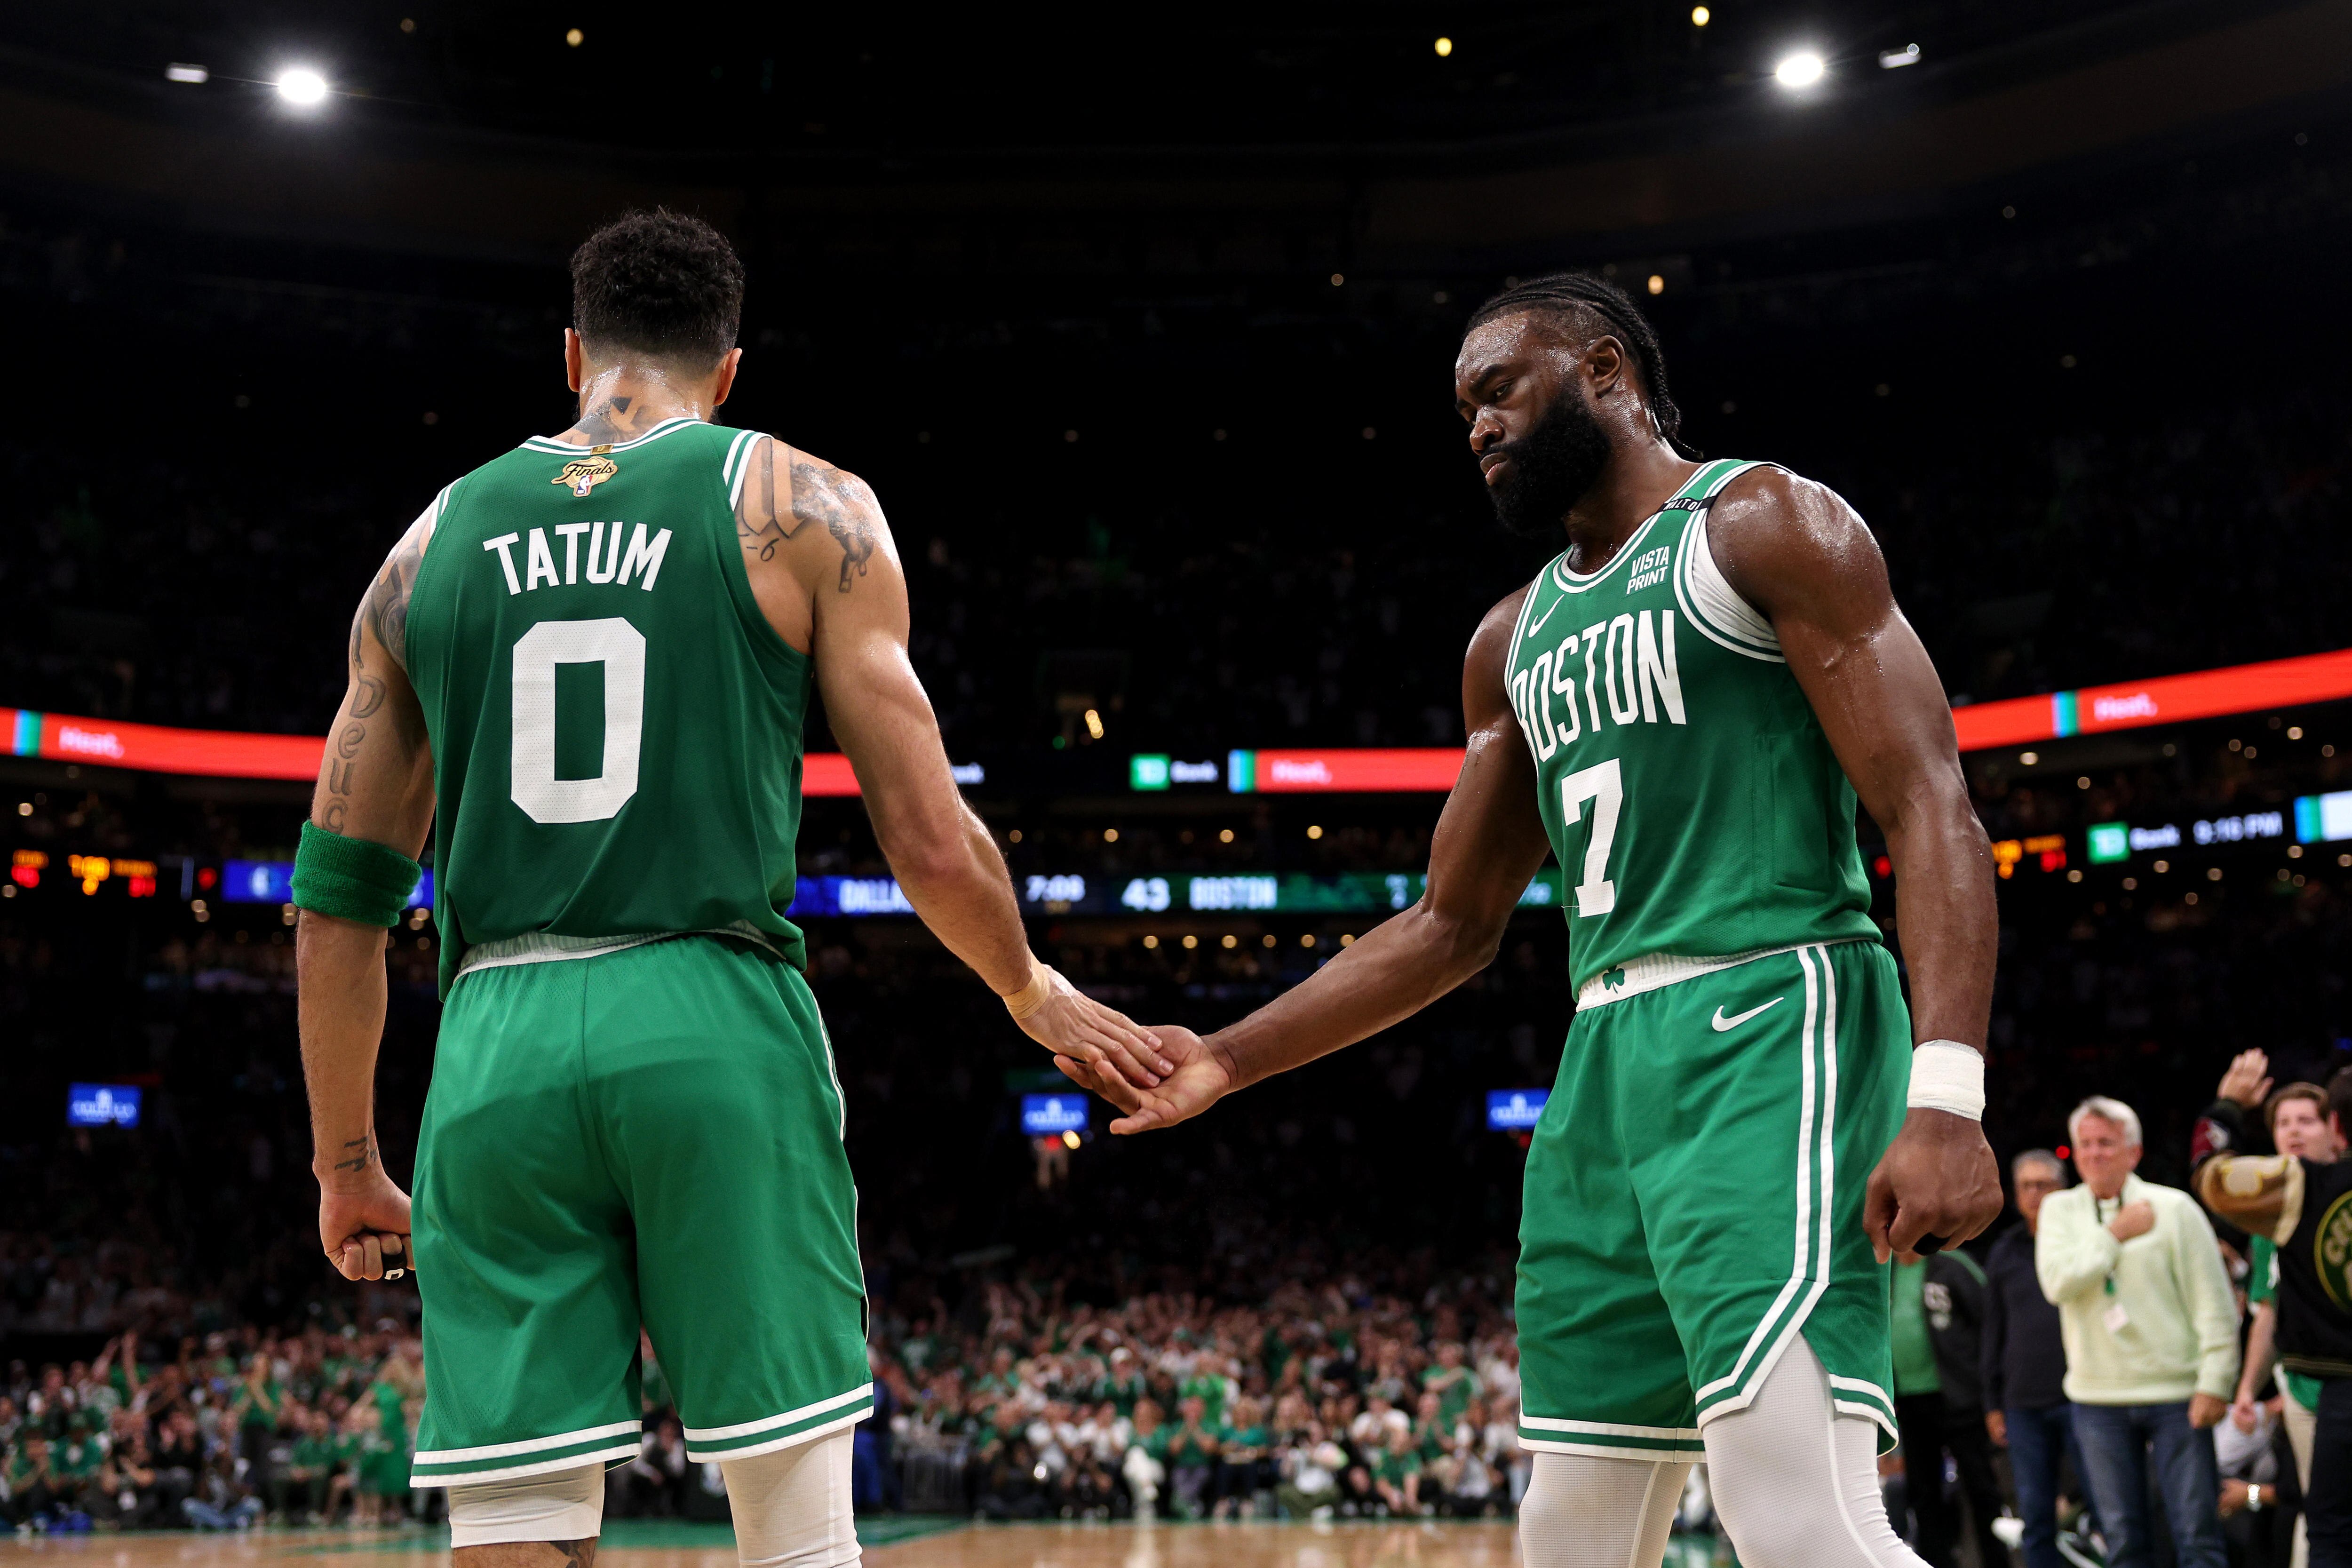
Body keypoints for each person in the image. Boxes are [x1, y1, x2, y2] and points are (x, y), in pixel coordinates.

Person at [1060, 269, 2003, 1568]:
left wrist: (1948, 1094)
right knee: (1568, 1530)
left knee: (1789, 1512)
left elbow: (1933, 806)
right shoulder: (1510, 640)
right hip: (1605, 1058)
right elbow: (1449, 924)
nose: (1479, 426)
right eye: (1463, 411)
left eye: (1499, 388)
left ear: (1606, 371)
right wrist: (1225, 1056)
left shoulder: (1763, 522)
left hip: (1770, 1009)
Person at [291, 209, 1165, 1568]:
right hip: (711, 1007)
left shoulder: (427, 546)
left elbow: (336, 897)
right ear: (733, 369)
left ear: (572, 350)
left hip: (496, 1039)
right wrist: (1026, 984)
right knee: (796, 1520)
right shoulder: (804, 504)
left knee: (517, 1523)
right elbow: (928, 841)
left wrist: (347, 1164)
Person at [2037, 1095, 2237, 1568]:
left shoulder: (2174, 1208)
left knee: (2196, 1534)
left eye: (2106, 1143)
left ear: (2133, 1151)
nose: (2093, 1153)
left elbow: (2213, 1301)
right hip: (2095, 1398)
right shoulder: (2058, 1210)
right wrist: (2115, 1235)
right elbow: (2056, 1283)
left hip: (2177, 1395)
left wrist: (2215, 1381)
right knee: (2123, 1540)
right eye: (2084, 1143)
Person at [2193, 1065, 2352, 1568]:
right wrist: (2246, 1388)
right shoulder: (2274, 1210)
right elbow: (2268, 1310)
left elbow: (2210, 1175)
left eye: (2308, 1119)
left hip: (2330, 1382)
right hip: (2309, 1385)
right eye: (2283, 1121)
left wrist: (2225, 1109)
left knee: (2326, 1526)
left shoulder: (2294, 1189)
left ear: (2335, 1129)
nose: (2294, 1131)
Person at [1983, 1150, 2089, 1568]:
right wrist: (1992, 1403)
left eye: (2044, 1184)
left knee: (2106, 1503)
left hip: (2084, 1392)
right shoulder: (2005, 1250)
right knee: (2036, 1513)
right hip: (2023, 1400)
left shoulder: (2086, 1241)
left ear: (2063, 1188)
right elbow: (1993, 1332)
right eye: (2026, 1185)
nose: (2035, 1193)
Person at [1889, 1244, 2007, 1568]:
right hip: (1909, 1402)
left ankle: (1998, 1562)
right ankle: (1935, 1562)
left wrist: (1990, 1392)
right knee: (1922, 1494)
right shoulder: (1884, 1272)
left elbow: (1991, 1323)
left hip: (1960, 1398)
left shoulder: (1953, 1264)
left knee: (1981, 1489)